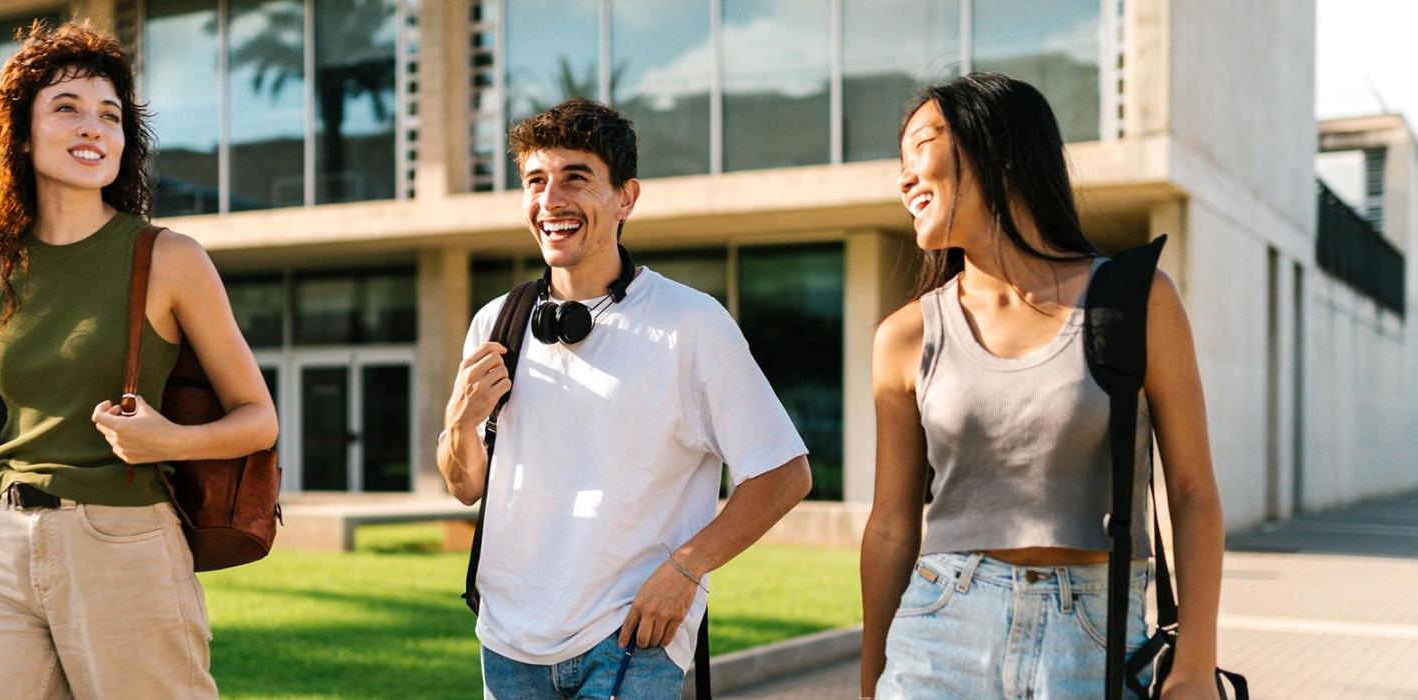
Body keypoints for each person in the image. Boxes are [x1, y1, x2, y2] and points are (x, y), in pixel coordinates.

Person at [0, 20, 276, 699]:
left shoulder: (168, 259)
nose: (93, 128)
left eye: (110, 115)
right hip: (6, 542)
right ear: (20, 133)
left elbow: (259, 419)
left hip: (128, 547)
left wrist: (170, 440)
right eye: (67, 108)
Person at [857, 72, 1227, 699]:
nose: (904, 177)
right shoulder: (905, 335)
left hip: (1093, 638)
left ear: (998, 149)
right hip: (940, 633)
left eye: (922, 146)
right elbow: (892, 524)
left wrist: (1195, 662)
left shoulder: (1137, 301)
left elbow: (1191, 491)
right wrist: (872, 680)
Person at [436, 98, 813, 699]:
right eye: (536, 181)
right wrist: (459, 425)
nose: (550, 200)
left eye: (575, 179)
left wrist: (687, 568)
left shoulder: (692, 323)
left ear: (626, 198)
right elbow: (464, 486)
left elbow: (784, 474)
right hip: (506, 643)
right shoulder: (496, 321)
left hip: (630, 637)